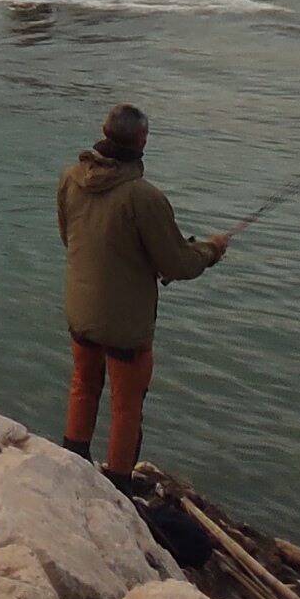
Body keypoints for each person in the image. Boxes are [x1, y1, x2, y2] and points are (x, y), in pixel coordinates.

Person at [56, 102, 229, 483]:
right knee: (126, 405)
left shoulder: (70, 178)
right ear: (142, 140)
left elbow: (69, 235)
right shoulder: (143, 197)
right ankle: (118, 489)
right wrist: (212, 249)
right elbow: (178, 264)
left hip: (81, 311)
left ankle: (71, 470)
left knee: (83, 385)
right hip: (126, 324)